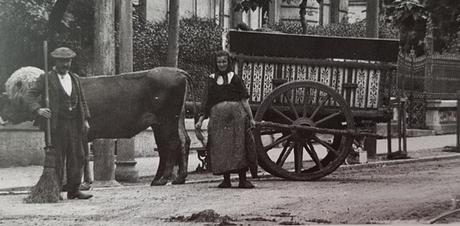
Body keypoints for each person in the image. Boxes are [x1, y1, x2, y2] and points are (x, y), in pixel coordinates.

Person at [24, 47, 92, 200]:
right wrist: (38, 109)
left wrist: (86, 119)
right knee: (58, 158)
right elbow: (30, 95)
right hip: (56, 125)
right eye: (62, 61)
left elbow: (82, 100)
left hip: (75, 123)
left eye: (68, 61)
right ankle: (56, 191)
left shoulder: (75, 78)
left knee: (78, 156)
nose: (66, 64)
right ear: (56, 61)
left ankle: (74, 190)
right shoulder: (46, 78)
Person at [195, 50, 257, 189]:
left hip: (236, 118)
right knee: (221, 148)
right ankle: (226, 180)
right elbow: (205, 102)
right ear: (216, 64)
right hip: (218, 119)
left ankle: (243, 180)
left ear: (228, 62)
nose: (221, 64)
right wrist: (200, 120)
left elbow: (244, 99)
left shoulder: (235, 78)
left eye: (224, 61)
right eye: (219, 62)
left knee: (239, 147)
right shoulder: (211, 79)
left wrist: (251, 118)